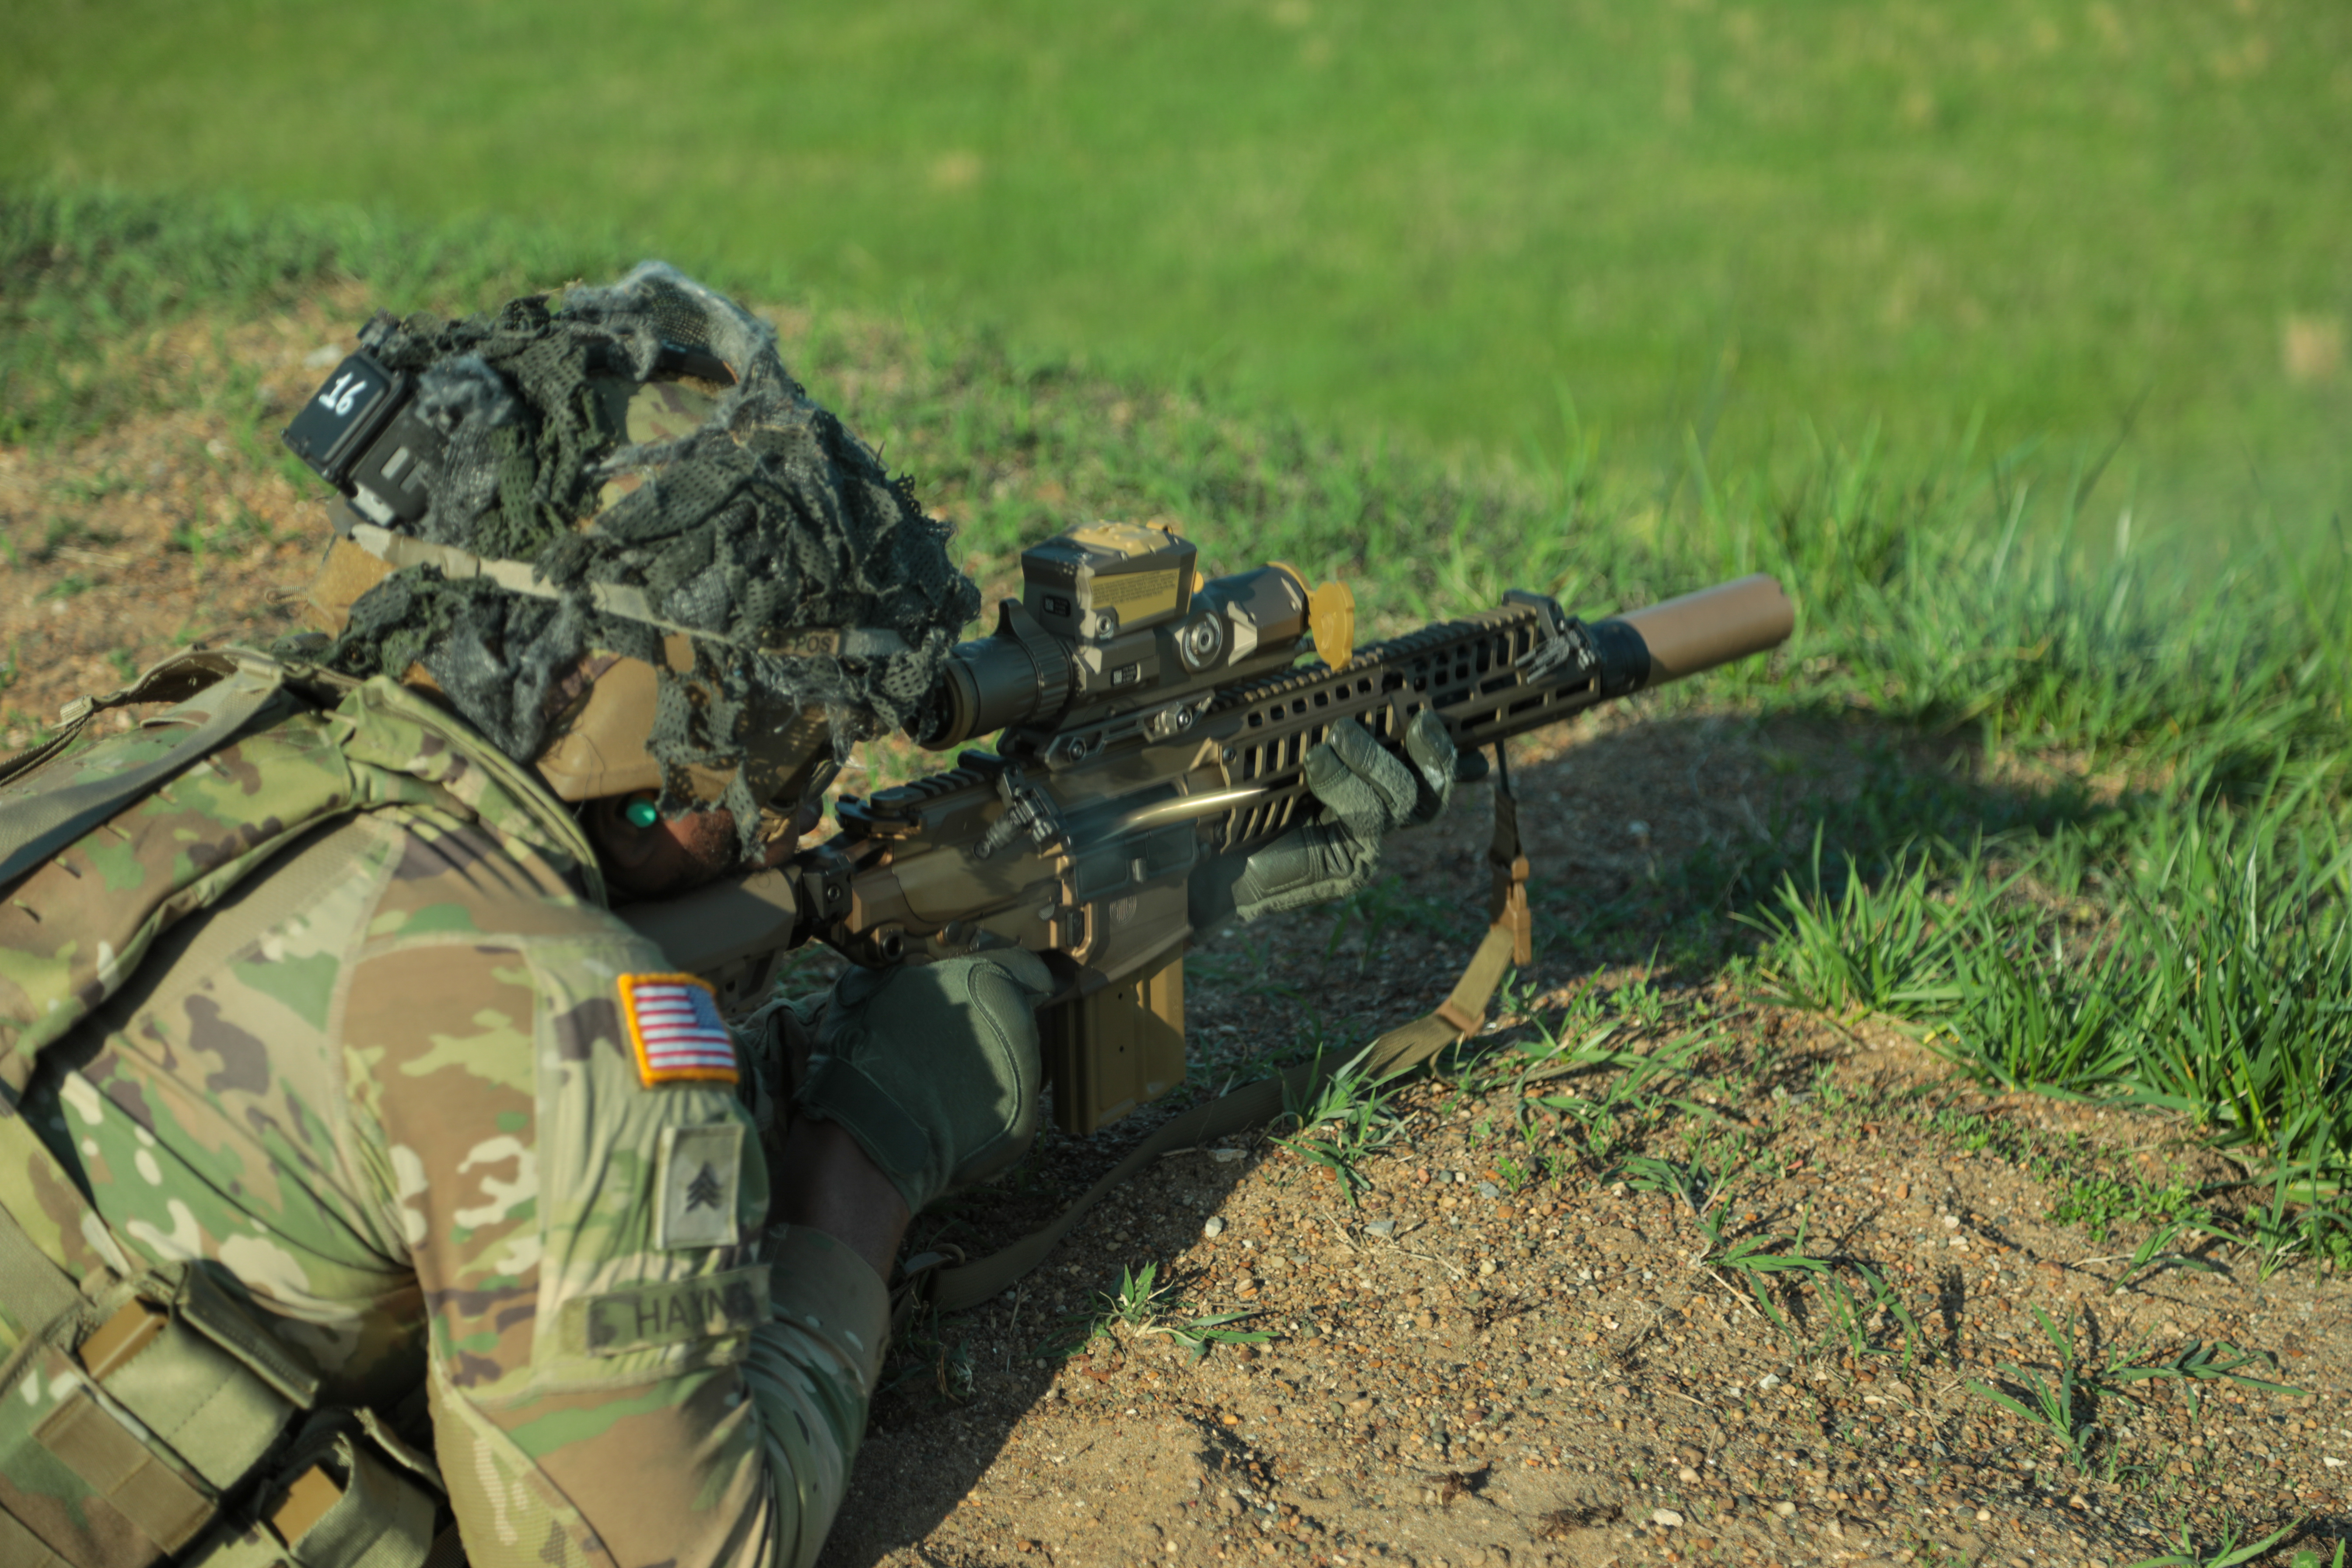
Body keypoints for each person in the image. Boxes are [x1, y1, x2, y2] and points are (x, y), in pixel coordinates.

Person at [0, 264, 1451, 1568]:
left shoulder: (189, 731)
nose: (805, 814)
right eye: (787, 749)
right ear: (638, 716)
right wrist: (868, 1147)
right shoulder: (550, 1022)